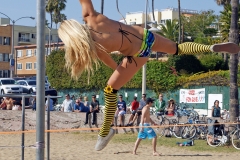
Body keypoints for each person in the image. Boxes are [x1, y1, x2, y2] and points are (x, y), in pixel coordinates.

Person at [58, 0, 240, 151]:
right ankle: (208, 47)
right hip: (145, 37)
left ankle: (106, 131)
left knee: (109, 90)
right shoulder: (91, 17)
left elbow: (110, 63)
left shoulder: (94, 48)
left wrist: (120, 72)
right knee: (176, 48)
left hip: (137, 55)